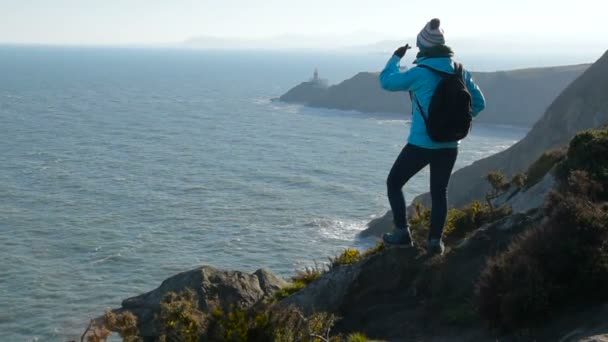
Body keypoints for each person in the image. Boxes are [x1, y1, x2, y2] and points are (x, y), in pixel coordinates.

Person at [378, 18, 486, 255]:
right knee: (439, 193)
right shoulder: (460, 71)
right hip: (450, 144)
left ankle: (402, 233)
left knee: (394, 183)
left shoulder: (420, 73)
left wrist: (396, 57)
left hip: (422, 143)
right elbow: (479, 103)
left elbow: (386, 81)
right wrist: (456, 122)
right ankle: (435, 243)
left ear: (424, 47)